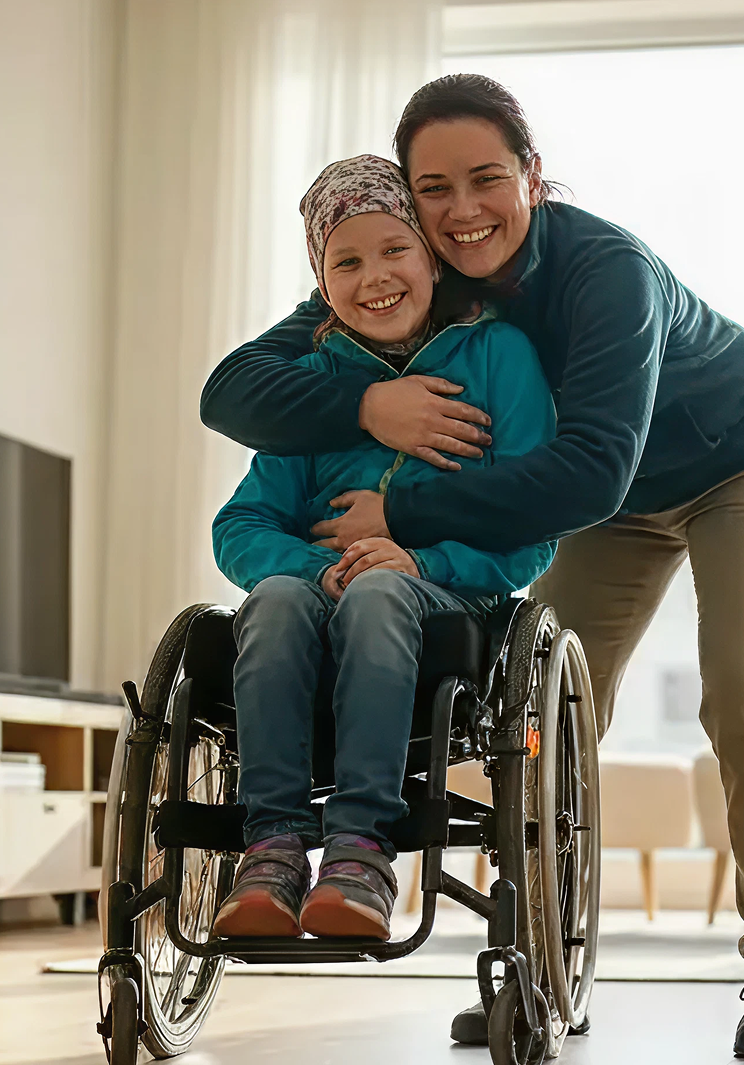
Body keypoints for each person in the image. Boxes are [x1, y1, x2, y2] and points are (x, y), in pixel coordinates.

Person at [201, 76, 744, 1061]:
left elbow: (586, 473)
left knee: (742, 691)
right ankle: (534, 957)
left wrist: (399, 509)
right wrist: (368, 410)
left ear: (533, 176)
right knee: (538, 712)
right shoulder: (414, 266)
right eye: (433, 188)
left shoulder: (603, 270)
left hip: (734, 462)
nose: (461, 211)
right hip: (587, 492)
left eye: (486, 179)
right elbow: (235, 389)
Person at [210, 153, 556, 943]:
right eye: (347, 261)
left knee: (378, 592)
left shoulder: (499, 358)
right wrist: (316, 567)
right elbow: (241, 527)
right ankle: (270, 847)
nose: (375, 276)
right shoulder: (313, 381)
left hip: (446, 598)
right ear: (322, 285)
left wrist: (421, 561)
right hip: (318, 596)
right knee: (273, 596)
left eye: (395, 249)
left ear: (432, 258)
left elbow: (531, 528)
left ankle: (360, 850)